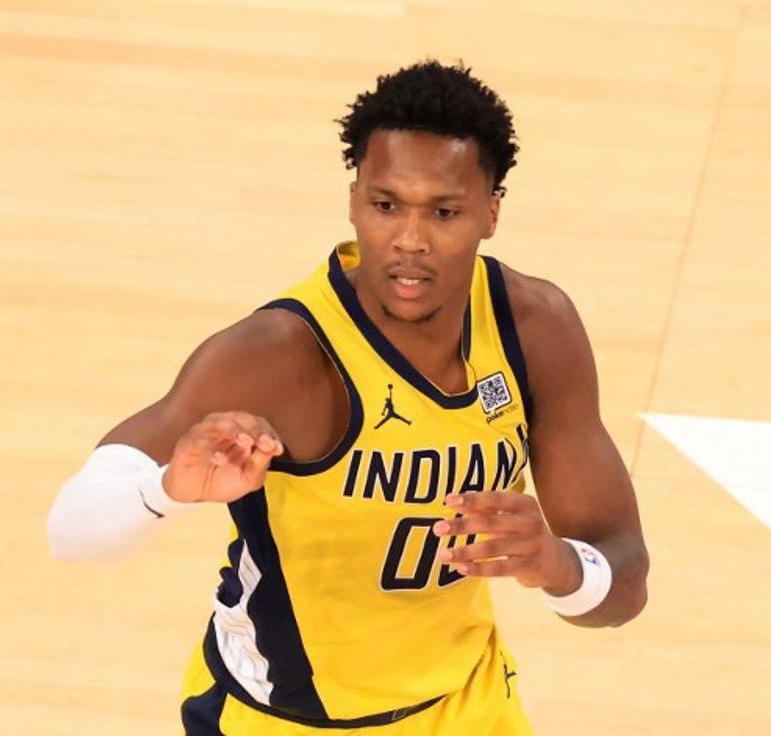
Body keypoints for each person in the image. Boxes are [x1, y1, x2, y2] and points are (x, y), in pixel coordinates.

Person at [47, 59, 649, 734]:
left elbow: (625, 584)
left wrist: (560, 566)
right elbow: (70, 534)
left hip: (467, 706)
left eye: (444, 212)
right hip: (284, 721)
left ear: (491, 212)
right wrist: (167, 489)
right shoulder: (278, 355)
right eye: (386, 205)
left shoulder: (535, 328)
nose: (410, 242)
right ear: (355, 199)